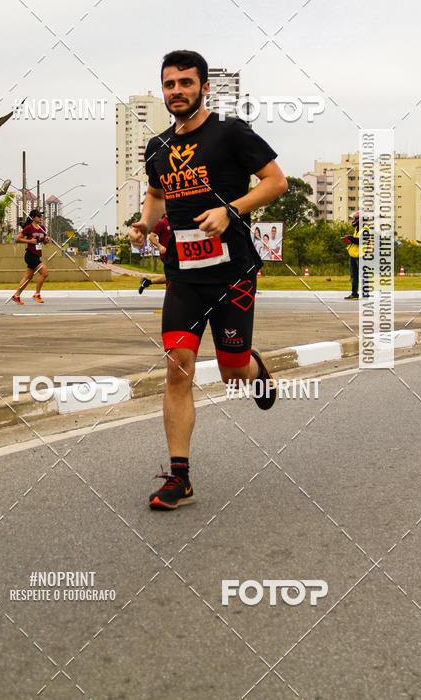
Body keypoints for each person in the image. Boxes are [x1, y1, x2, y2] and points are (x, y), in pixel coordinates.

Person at [129, 49, 287, 510]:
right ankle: (180, 478)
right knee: (177, 369)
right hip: (183, 276)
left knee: (232, 369)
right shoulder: (157, 147)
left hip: (233, 273)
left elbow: (276, 181)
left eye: (185, 83)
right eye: (169, 84)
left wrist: (231, 209)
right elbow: (158, 195)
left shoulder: (231, 133)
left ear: (203, 87)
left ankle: (256, 372)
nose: (176, 91)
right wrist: (144, 223)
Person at [12, 210, 50, 304]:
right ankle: (37, 294)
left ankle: (16, 295)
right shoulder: (29, 228)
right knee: (44, 273)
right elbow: (18, 238)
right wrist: (29, 241)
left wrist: (46, 240)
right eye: (38, 216)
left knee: (28, 277)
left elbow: (43, 242)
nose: (40, 218)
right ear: (33, 217)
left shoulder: (42, 228)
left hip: (37, 255)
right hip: (30, 255)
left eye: (41, 216)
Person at [138, 214, 172, 293]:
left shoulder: (175, 222)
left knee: (172, 276)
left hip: (176, 255)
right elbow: (151, 237)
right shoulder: (162, 223)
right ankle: (170, 299)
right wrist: (160, 246)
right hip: (166, 255)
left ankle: (147, 282)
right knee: (173, 276)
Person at [342, 210, 371, 299]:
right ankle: (354, 294)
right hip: (353, 255)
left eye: (356, 218)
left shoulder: (365, 229)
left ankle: (365, 294)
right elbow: (355, 240)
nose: (354, 220)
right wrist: (349, 239)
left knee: (364, 276)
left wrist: (351, 238)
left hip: (361, 256)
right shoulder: (357, 229)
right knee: (353, 276)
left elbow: (361, 241)